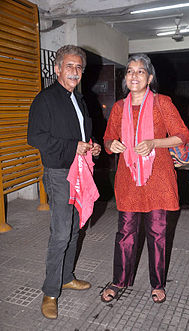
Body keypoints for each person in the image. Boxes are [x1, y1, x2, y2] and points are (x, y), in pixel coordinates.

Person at [101, 54, 189, 304]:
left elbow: (182, 135)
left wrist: (154, 142)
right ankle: (119, 280)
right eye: (130, 71)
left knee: (157, 233)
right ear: (126, 77)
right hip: (129, 178)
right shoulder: (119, 107)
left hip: (158, 177)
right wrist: (113, 144)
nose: (134, 76)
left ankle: (158, 283)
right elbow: (108, 138)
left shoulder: (162, 103)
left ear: (149, 78)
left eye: (140, 71)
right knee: (125, 232)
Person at [27, 45, 101, 319]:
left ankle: (66, 276)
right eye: (69, 66)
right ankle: (50, 292)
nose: (75, 71)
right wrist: (74, 147)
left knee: (73, 229)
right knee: (60, 234)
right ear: (57, 69)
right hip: (59, 173)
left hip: (80, 170)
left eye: (79, 67)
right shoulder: (45, 99)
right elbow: (35, 137)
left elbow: (84, 134)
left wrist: (92, 146)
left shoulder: (79, 100)